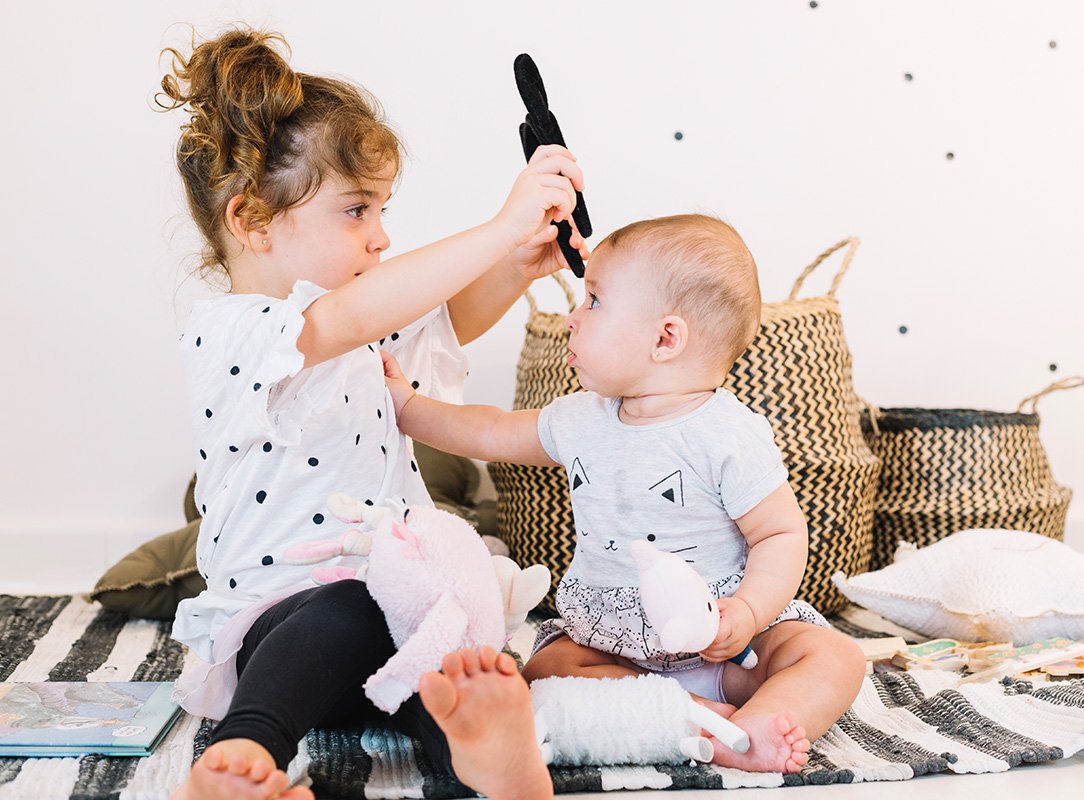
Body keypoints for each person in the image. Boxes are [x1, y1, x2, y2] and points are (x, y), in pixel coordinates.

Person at [158, 26, 587, 800]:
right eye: (357, 211)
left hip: (403, 605)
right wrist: (497, 226)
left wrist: (519, 261)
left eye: (382, 211)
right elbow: (345, 322)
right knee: (345, 613)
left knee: (462, 652)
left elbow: (447, 317)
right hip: (284, 613)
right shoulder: (236, 330)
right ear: (252, 222)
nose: (382, 237)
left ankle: (485, 755)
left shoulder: (355, 317)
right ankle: (245, 753)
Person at [382, 214, 866, 774]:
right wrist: (408, 407)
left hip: (727, 641)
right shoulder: (580, 419)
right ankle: (688, 713)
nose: (571, 317)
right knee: (546, 666)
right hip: (612, 643)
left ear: (665, 338)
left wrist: (750, 611)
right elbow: (491, 432)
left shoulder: (728, 435)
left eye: (593, 301)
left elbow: (780, 533)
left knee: (835, 657)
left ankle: (761, 721)